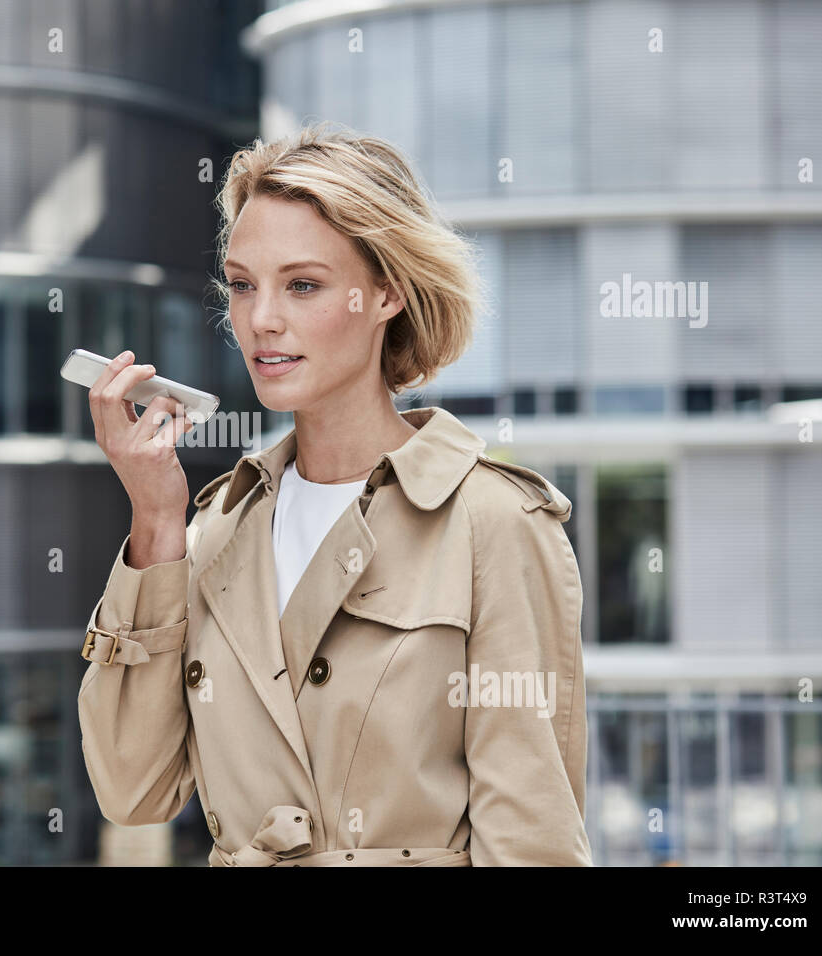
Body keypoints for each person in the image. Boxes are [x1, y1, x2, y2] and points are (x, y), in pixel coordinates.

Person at [78, 122, 591, 867]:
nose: (261, 320)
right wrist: (157, 519)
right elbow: (133, 790)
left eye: (303, 285)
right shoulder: (217, 528)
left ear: (387, 292)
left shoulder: (493, 524)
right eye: (245, 284)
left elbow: (533, 841)